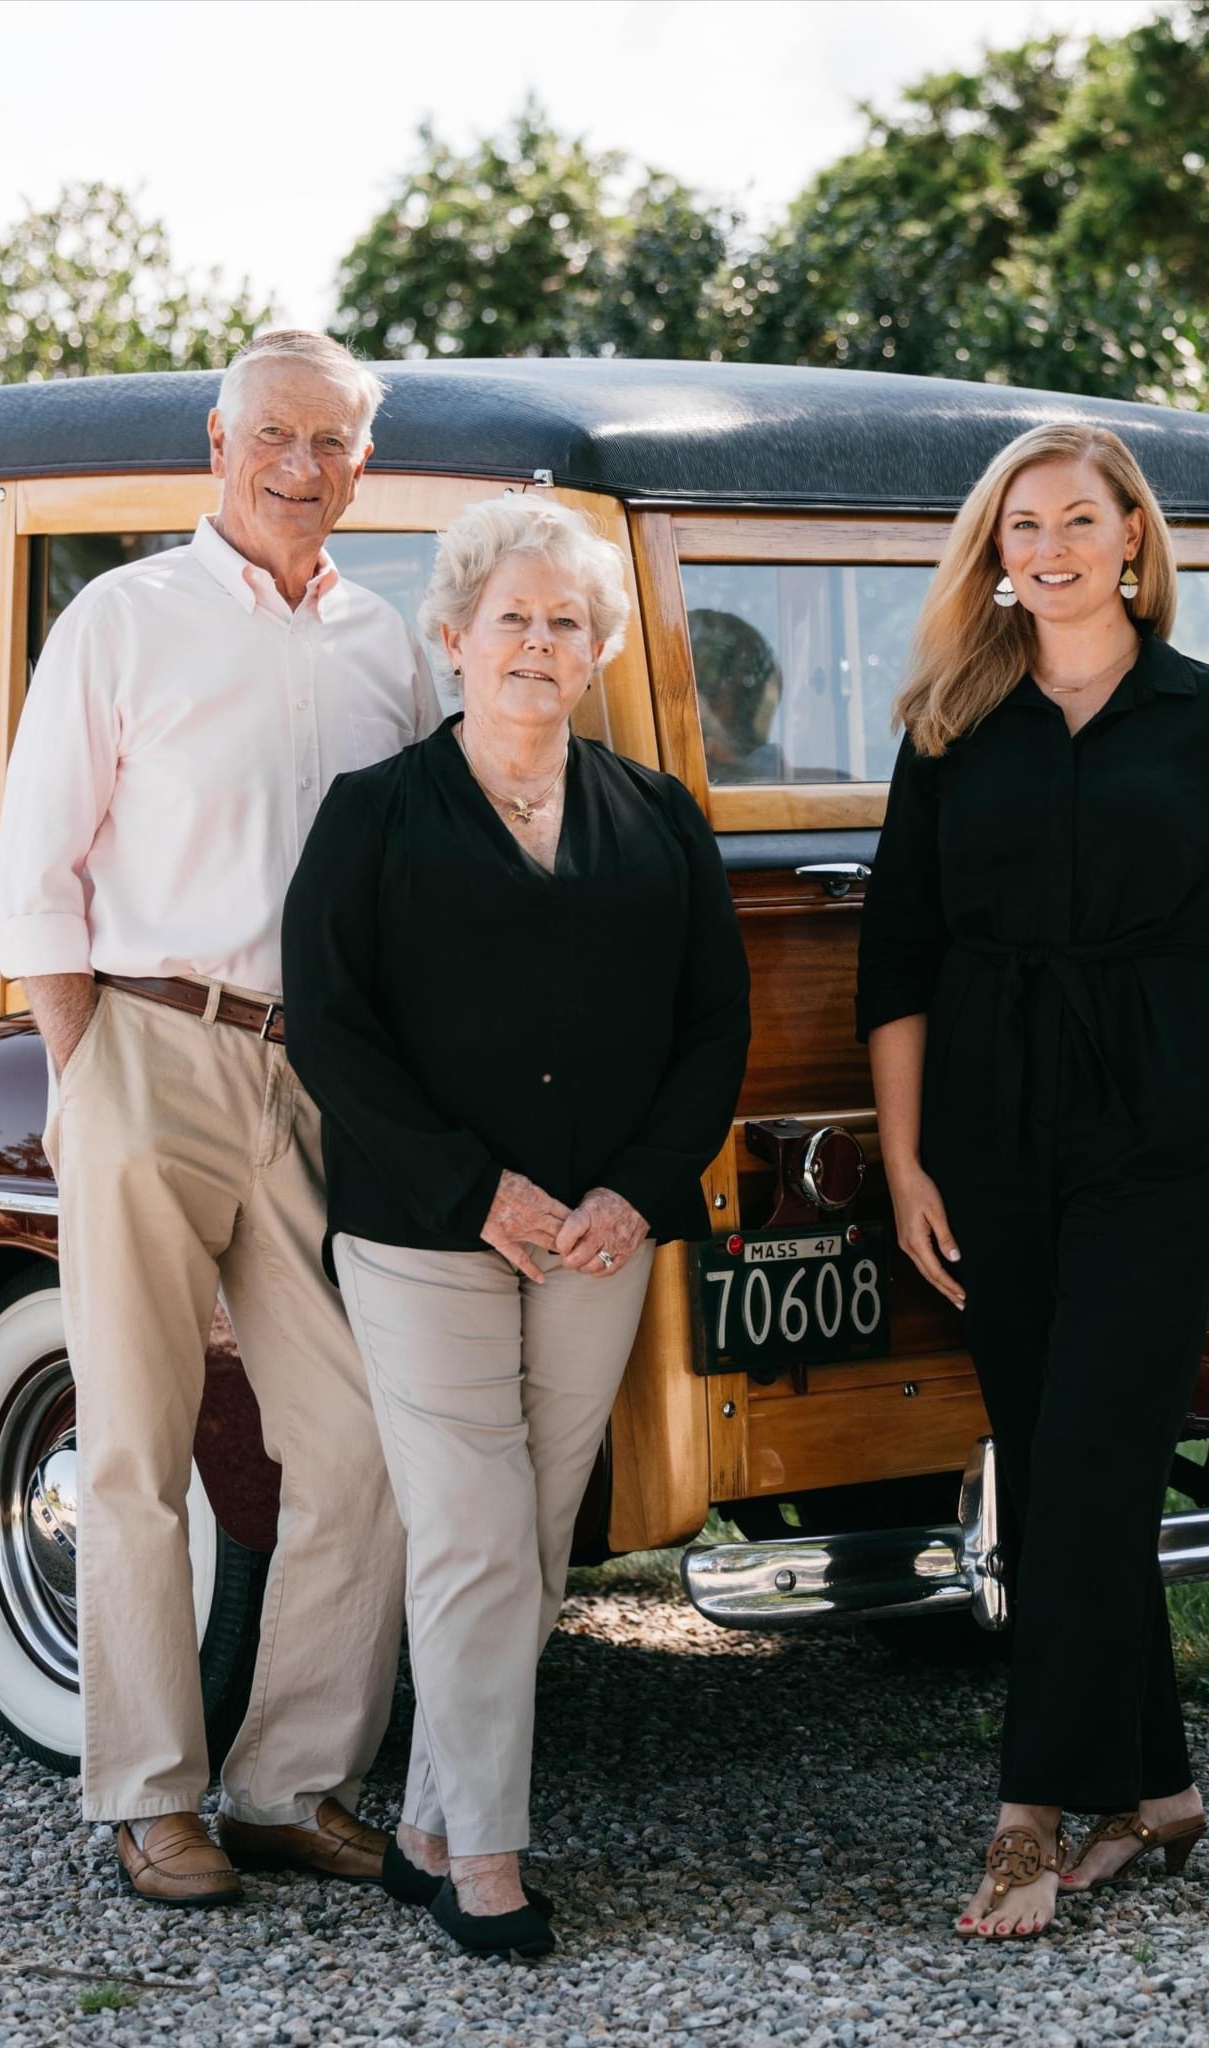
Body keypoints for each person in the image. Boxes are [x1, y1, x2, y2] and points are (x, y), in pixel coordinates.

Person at [0, 330, 438, 1905]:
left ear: (364, 463)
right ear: (219, 440)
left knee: (364, 1442)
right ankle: (148, 1796)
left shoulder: (391, 642)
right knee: (132, 1442)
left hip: (321, 1074)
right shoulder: (125, 617)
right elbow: (33, 870)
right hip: (146, 1045)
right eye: (276, 437)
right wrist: (85, 1075)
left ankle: (287, 1782)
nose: (302, 468)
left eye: (334, 443)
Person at [856, 423, 1209, 1940]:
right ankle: (1158, 1789)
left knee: (1098, 1457)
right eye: (1020, 527)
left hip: (1151, 1135)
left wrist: (1200, 1043)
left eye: (1076, 519)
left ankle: (1027, 1819)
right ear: (996, 558)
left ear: (1133, 536)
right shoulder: (947, 722)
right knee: (1053, 1456)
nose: (1047, 548)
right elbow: (900, 960)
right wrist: (909, 1154)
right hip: (988, 1128)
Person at [281, 494, 750, 1958]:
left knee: (536, 1534)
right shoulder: (374, 814)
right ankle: (485, 1858)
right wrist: (477, 1191)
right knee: (477, 1529)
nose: (540, 645)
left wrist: (632, 1191)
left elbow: (711, 1029)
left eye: (567, 622)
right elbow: (332, 1036)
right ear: (454, 638)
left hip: (600, 1240)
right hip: (431, 1233)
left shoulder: (657, 816)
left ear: (598, 646)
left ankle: (427, 1818)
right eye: (514, 621)